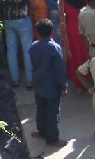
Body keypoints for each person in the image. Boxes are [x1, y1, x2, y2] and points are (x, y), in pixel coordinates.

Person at [29, 20, 68, 148]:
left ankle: (42, 132)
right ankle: (52, 139)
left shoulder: (33, 47)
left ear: (37, 33)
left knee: (41, 109)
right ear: (52, 32)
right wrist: (63, 86)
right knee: (52, 113)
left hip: (39, 85)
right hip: (51, 87)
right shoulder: (54, 48)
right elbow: (59, 70)